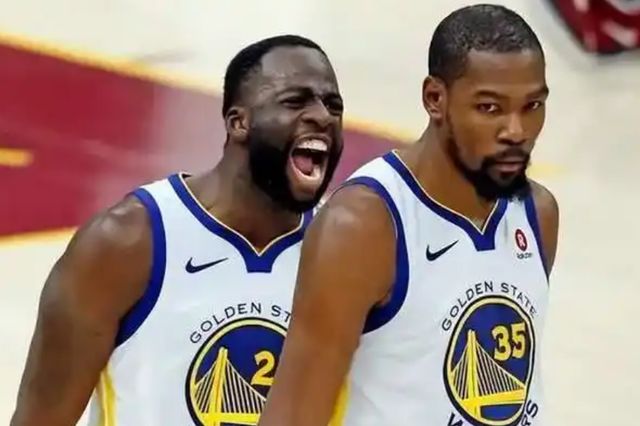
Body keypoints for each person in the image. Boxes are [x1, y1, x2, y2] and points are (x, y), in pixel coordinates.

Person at [10, 34, 344, 426]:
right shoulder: (127, 242)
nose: (323, 116)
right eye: (295, 101)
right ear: (239, 122)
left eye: (333, 106)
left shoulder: (347, 247)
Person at [259, 5, 559, 426]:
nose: (516, 131)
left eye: (532, 106)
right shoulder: (364, 226)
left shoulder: (537, 213)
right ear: (435, 99)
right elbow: (293, 415)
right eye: (490, 108)